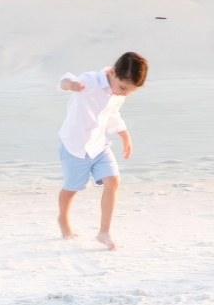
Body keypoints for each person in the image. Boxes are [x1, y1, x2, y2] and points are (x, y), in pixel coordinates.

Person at [56, 51, 148, 247]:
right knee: (72, 188)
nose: (124, 93)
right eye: (123, 88)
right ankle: (63, 218)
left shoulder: (117, 93)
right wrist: (70, 86)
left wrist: (125, 135)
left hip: (99, 145)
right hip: (74, 145)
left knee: (113, 181)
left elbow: (112, 114)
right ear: (114, 72)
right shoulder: (89, 80)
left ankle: (104, 232)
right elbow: (65, 79)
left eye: (129, 92)